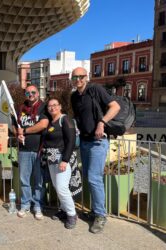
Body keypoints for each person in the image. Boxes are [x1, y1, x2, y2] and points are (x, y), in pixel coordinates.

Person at [70, 67, 120, 233]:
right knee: (88, 176)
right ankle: (94, 211)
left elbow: (115, 107)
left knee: (93, 178)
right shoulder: (74, 96)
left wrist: (102, 122)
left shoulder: (96, 89)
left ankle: (100, 215)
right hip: (84, 141)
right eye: (75, 77)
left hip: (98, 142)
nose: (78, 79)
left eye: (81, 76)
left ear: (87, 77)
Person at [41, 98, 77, 229]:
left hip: (62, 159)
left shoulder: (65, 119)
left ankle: (72, 214)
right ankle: (64, 210)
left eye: (55, 105)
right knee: (57, 187)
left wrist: (65, 160)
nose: (52, 108)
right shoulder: (51, 122)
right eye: (50, 106)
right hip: (51, 159)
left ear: (60, 106)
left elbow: (71, 140)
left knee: (62, 187)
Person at [15, 84, 48, 220]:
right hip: (23, 150)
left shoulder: (43, 107)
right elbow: (15, 124)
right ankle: (25, 204)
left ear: (38, 93)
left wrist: (26, 131)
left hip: (38, 149)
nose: (31, 95)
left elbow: (43, 124)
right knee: (24, 180)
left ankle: (38, 205)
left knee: (38, 181)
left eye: (33, 92)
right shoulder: (21, 108)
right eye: (28, 93)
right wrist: (17, 133)